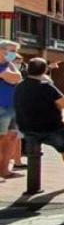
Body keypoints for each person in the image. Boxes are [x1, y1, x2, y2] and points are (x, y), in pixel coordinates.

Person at [0, 41, 22, 179]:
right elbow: (12, 77)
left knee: (12, 137)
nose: (14, 54)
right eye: (11, 50)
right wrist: (9, 75)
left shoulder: (8, 64)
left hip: (12, 106)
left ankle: (4, 170)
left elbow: (18, 77)